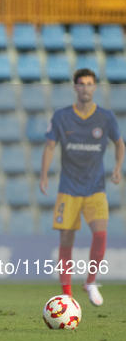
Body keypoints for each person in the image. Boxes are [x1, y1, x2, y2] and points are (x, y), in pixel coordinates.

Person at [40, 68, 124, 306]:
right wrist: (44, 175)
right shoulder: (62, 116)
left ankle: (90, 281)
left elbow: (120, 144)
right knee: (66, 241)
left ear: (94, 87)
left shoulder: (105, 117)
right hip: (68, 189)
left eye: (89, 83)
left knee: (100, 235)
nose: (85, 88)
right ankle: (67, 295)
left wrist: (118, 167)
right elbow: (49, 146)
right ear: (75, 87)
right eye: (81, 83)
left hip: (96, 188)